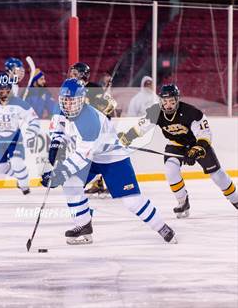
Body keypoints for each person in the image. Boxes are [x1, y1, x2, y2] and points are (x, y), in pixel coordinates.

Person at [41, 78, 177, 245]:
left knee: (132, 201)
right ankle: (83, 226)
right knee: (71, 184)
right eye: (65, 101)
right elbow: (59, 127)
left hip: (113, 158)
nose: (67, 105)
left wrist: (57, 175)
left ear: (81, 100)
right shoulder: (65, 109)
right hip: (91, 157)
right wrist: (55, 143)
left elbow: (82, 156)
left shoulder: (89, 120)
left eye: (71, 101)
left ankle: (161, 227)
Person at [118, 84, 238, 218]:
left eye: (171, 101)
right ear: (160, 101)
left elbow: (204, 134)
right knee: (170, 169)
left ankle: (236, 199)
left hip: (197, 144)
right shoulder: (155, 111)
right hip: (176, 144)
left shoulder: (191, 112)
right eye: (165, 101)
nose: (168, 105)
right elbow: (141, 128)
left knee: (217, 175)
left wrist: (196, 150)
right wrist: (127, 138)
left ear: (177, 100)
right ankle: (183, 202)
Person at [0, 73, 40, 195]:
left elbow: (34, 119)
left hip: (14, 139)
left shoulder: (18, 103)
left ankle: (24, 187)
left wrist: (32, 131)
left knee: (17, 162)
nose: (4, 92)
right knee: (0, 168)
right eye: (1, 89)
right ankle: (21, 176)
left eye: (7, 89)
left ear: (10, 89)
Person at [68, 62, 118, 197]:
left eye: (75, 73)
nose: (72, 76)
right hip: (80, 129)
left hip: (98, 130)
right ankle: (96, 182)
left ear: (83, 75)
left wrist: (103, 105)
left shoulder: (94, 88)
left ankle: (108, 181)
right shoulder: (70, 89)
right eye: (71, 73)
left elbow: (112, 105)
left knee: (98, 156)